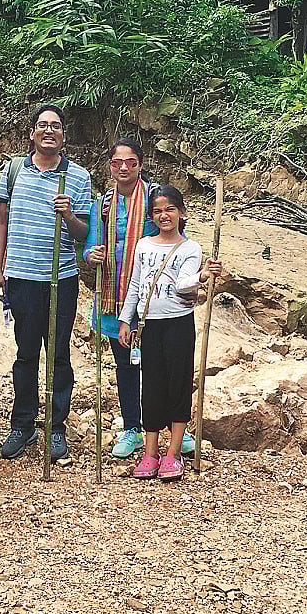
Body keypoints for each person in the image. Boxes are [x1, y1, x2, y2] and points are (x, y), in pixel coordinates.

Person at [0, 104, 92, 466]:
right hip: (21, 276)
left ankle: (56, 425)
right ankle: (23, 424)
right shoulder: (14, 171)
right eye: (42, 125)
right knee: (25, 353)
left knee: (60, 353)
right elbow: (0, 223)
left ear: (64, 136)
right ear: (32, 133)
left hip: (60, 278)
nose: (49, 131)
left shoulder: (78, 177)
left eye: (56, 126)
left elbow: (83, 234)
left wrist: (67, 215)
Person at [83, 138, 194, 459]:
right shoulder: (102, 206)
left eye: (130, 162)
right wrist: (94, 254)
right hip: (115, 297)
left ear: (140, 164)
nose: (123, 168)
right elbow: (90, 245)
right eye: (117, 163)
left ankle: (174, 429)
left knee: (162, 365)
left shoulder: (153, 199)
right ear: (110, 166)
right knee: (125, 364)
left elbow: (175, 236)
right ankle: (132, 427)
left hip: (154, 299)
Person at [116, 186, 222, 481]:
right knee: (150, 387)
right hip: (149, 324)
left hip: (178, 323)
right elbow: (136, 285)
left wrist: (202, 276)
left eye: (170, 209)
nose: (164, 215)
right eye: (158, 211)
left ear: (182, 213)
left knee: (178, 384)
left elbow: (182, 285)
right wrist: (127, 320)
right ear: (152, 216)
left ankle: (172, 454)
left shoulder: (191, 249)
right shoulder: (143, 246)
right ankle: (150, 453)